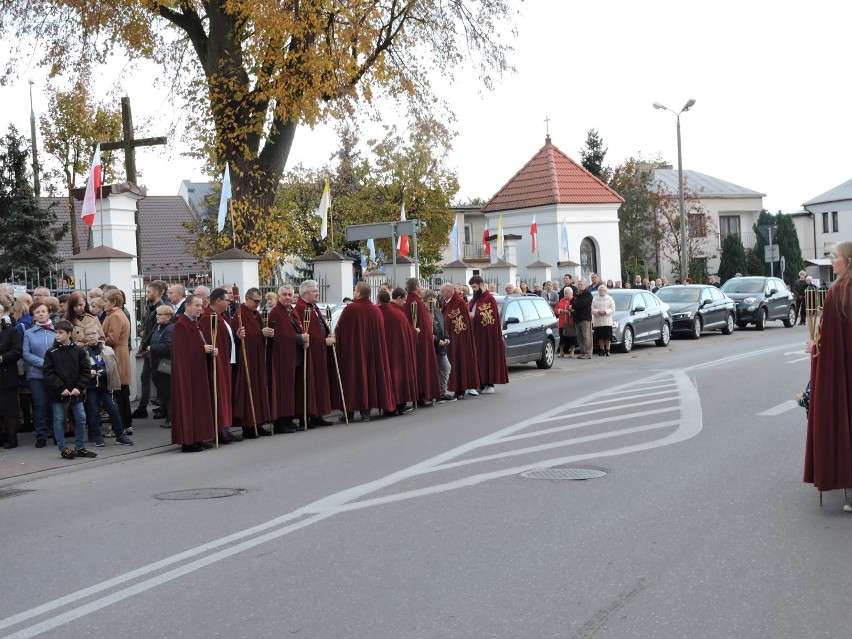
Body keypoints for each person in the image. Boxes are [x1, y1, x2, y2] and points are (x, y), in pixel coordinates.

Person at [804, 242, 852, 508]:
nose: (832, 261)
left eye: (835, 257)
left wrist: (814, 348)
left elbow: (829, 342)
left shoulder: (839, 293)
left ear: (848, 261)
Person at [334, 282, 395, 421]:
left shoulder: (351, 309)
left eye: (355, 291)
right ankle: (365, 411)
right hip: (372, 353)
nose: (354, 293)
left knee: (352, 380)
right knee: (369, 378)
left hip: (354, 353)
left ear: (359, 293)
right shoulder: (376, 310)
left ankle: (348, 412)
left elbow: (340, 330)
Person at [43, 320, 97, 460]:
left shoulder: (78, 351)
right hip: (58, 392)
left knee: (81, 417)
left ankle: (79, 446)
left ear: (69, 333)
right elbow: (48, 373)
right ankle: (62, 448)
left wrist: (79, 387)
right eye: (56, 332)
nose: (57, 335)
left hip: (75, 391)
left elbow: (85, 370)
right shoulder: (51, 352)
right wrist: (61, 388)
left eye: (60, 333)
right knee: (59, 419)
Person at [171, 294, 216, 452]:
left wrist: (208, 349)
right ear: (187, 306)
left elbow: (196, 343)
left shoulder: (194, 323)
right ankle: (188, 441)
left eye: (201, 306)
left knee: (198, 405)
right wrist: (201, 349)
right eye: (196, 305)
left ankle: (198, 437)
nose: (200, 309)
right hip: (187, 374)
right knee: (189, 405)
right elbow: (181, 352)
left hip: (197, 371)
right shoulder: (181, 325)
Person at [294, 279, 337, 427]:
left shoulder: (313, 307)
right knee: (310, 384)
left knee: (319, 383)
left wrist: (329, 334)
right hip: (310, 353)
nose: (318, 293)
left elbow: (319, 328)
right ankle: (307, 416)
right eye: (314, 291)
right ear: (305, 293)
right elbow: (307, 332)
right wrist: (323, 342)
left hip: (320, 353)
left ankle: (317, 414)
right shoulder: (301, 308)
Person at [201, 288, 242, 443]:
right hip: (218, 362)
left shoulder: (222, 317)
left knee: (226, 396)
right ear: (218, 301)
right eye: (226, 300)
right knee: (220, 396)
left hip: (227, 361)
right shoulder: (208, 318)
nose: (228, 303)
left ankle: (225, 427)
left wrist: (236, 336)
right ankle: (220, 430)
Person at [81, 327, 133, 446]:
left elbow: (114, 367)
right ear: (85, 337)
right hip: (90, 387)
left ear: (99, 334)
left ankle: (120, 436)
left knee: (114, 410)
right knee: (93, 412)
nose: (91, 336)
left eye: (93, 333)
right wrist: (90, 372)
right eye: (88, 334)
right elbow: (80, 369)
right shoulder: (82, 351)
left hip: (106, 385)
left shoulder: (107, 349)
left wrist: (104, 371)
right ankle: (97, 437)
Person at [232, 287, 273, 436]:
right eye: (255, 301)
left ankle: (259, 422)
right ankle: (248, 425)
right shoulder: (240, 314)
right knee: (249, 391)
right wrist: (259, 333)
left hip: (258, 358)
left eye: (259, 301)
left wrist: (266, 333)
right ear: (247, 299)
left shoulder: (256, 315)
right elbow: (240, 337)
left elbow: (258, 333)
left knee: (259, 390)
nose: (257, 304)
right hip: (247, 360)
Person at [265, 285, 304, 434]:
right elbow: (280, 336)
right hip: (282, 358)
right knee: (283, 390)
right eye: (285, 295)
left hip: (294, 355)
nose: (287, 297)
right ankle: (280, 422)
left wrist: (303, 337)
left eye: (290, 295)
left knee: (291, 390)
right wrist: (300, 338)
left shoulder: (292, 311)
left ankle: (289, 419)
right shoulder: (276, 313)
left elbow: (296, 328)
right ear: (279, 296)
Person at [133, 280, 168, 419]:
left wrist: (145, 346)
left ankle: (164, 408)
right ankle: (144, 408)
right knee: (147, 377)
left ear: (156, 293)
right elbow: (148, 327)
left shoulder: (161, 308)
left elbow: (155, 330)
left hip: (154, 348)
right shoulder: (150, 307)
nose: (146, 294)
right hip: (149, 346)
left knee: (159, 378)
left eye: (148, 292)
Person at [404, 278, 442, 406]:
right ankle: (423, 395)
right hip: (420, 342)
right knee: (422, 368)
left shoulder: (410, 301)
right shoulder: (415, 302)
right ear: (416, 287)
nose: (421, 288)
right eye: (420, 285)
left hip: (421, 339)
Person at [23, 301, 56, 447]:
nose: (41, 314)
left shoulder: (57, 330)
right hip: (36, 375)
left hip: (56, 374)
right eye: (37, 312)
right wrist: (44, 363)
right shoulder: (28, 333)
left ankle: (57, 434)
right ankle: (41, 436)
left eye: (43, 311)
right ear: (33, 317)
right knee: (40, 405)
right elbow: (25, 353)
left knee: (55, 405)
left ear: (49, 312)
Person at [468, 276, 508, 394]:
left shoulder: (489, 299)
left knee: (486, 358)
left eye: (475, 287)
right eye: (472, 287)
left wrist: (472, 315)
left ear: (481, 284)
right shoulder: (475, 299)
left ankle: (488, 384)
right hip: (476, 334)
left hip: (487, 336)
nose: (473, 290)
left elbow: (486, 317)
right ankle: (479, 383)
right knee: (478, 359)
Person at [440, 283, 481, 399]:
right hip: (450, 337)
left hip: (459, 337)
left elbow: (459, 321)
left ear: (449, 291)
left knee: (459, 361)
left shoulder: (458, 302)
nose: (441, 294)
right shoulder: (447, 302)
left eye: (443, 292)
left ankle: (461, 389)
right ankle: (457, 387)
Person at [102, 289, 133, 435]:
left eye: (106, 301)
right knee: (123, 393)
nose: (103, 304)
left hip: (116, 355)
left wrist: (98, 341)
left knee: (117, 393)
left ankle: (118, 427)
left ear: (113, 302)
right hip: (121, 353)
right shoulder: (119, 313)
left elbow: (112, 339)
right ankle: (126, 424)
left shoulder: (114, 316)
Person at [421, 289, 453, 404]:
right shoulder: (424, 311)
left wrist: (446, 337)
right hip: (432, 345)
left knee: (446, 368)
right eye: (433, 298)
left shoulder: (437, 310)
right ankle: (437, 393)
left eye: (435, 298)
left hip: (441, 347)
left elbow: (443, 325)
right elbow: (428, 329)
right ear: (428, 299)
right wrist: (436, 339)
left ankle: (442, 392)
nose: (435, 300)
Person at [0, 295, 23, 448]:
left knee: (9, 409)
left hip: (7, 375)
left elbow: (17, 352)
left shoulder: (11, 332)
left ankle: (11, 438)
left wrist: (1, 358)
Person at [147, 304, 174, 428]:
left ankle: (171, 418)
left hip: (166, 366)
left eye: (160, 314)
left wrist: (151, 348)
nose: (157, 316)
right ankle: (169, 417)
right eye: (157, 314)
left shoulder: (170, 329)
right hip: (158, 365)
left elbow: (169, 346)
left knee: (168, 394)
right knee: (164, 394)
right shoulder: (158, 328)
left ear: (168, 317)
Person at [570, 280, 593, 359]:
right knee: (579, 337)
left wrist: (573, 307)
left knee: (586, 336)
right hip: (577, 318)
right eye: (579, 284)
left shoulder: (588, 294)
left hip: (585, 318)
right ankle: (583, 352)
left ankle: (588, 353)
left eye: (581, 284)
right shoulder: (577, 294)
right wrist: (573, 306)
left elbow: (583, 304)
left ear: (585, 285)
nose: (580, 286)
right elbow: (572, 303)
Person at [591, 285, 616, 356]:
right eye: (600, 290)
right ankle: (602, 350)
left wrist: (605, 312)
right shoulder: (594, 299)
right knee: (600, 337)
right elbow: (591, 309)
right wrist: (597, 311)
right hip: (598, 320)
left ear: (606, 291)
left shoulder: (609, 298)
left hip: (607, 320)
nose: (601, 292)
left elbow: (613, 308)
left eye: (603, 290)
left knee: (608, 337)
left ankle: (608, 350)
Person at [555, 287, 577, 357]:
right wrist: (560, 310)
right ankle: (561, 352)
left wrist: (569, 311)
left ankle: (572, 352)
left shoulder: (574, 300)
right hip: (562, 323)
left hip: (571, 323)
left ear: (571, 293)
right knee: (562, 338)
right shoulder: (562, 300)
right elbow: (556, 309)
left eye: (567, 293)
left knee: (572, 338)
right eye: (565, 293)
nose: (565, 294)